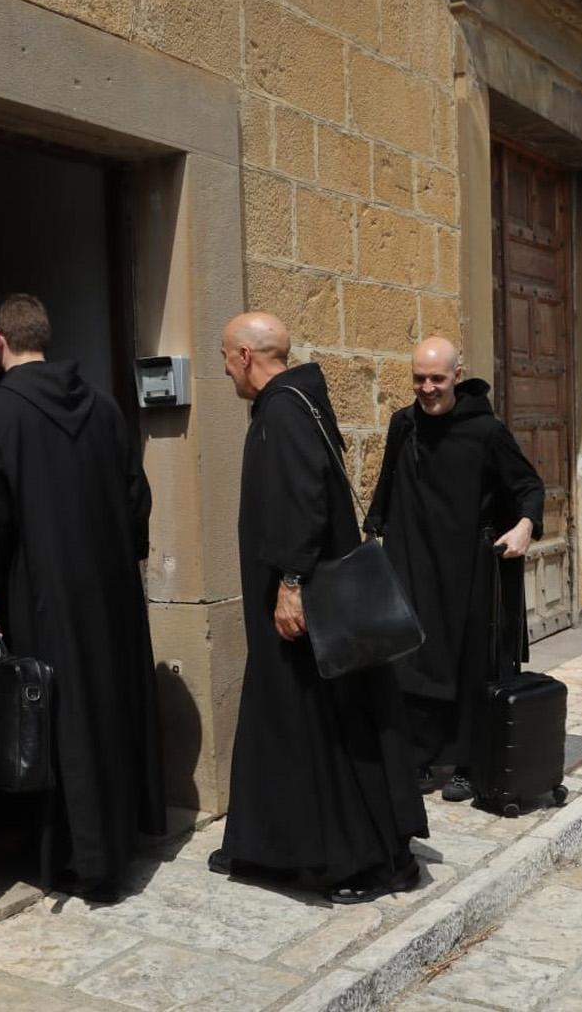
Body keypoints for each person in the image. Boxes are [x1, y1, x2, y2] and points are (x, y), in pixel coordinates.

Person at [210, 312, 429, 904]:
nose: (224, 366)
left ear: (247, 357)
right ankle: (267, 845)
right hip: (303, 597)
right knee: (287, 724)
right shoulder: (295, 401)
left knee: (324, 726)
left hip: (302, 604)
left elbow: (304, 498)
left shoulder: (282, 411)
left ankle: (364, 860)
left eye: (226, 356)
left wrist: (289, 581)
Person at [0, 293, 164, 903]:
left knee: (59, 713)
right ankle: (123, 837)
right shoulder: (104, 406)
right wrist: (123, 553)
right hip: (109, 587)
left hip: (42, 588)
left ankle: (80, 860)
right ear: (44, 339)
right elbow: (137, 494)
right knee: (107, 700)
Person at [364, 337, 544, 803]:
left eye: (437, 379)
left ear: (457, 377)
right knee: (413, 657)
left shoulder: (486, 431)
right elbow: (387, 482)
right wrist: (371, 533)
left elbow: (527, 485)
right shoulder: (403, 424)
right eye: (419, 379)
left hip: (468, 564)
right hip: (412, 556)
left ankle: (467, 762)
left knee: (470, 662)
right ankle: (420, 756)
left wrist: (525, 526)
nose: (427, 388)